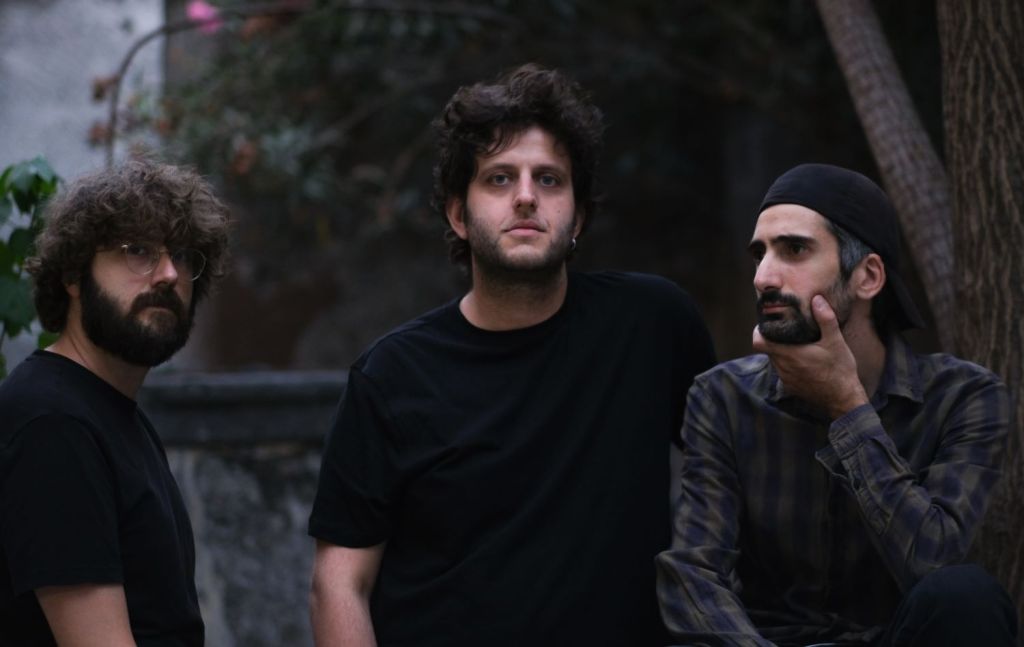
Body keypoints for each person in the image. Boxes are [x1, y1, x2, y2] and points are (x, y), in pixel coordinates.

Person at [307, 64, 716, 646]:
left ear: (578, 216)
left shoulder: (653, 325)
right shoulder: (392, 376)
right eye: (499, 179)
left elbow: (737, 478)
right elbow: (339, 583)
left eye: (549, 179)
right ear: (458, 215)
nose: (526, 197)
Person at [656, 163, 1016, 646]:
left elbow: (934, 563)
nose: (763, 276)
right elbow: (695, 573)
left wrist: (848, 408)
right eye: (760, 253)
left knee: (968, 595)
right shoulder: (721, 397)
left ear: (868, 277)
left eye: (794, 249)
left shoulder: (964, 397)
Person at [0, 160, 231, 645]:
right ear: (73, 274)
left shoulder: (113, 413)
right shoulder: (52, 420)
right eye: (138, 250)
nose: (169, 274)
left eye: (182, 254)